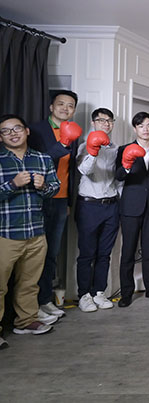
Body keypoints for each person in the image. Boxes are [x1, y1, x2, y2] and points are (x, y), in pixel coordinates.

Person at [1, 114, 61, 346]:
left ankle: (26, 321)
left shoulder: (42, 158)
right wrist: (12, 184)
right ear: (1, 137)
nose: (13, 133)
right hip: (5, 233)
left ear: (26, 131)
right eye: (6, 131)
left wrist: (44, 186)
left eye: (17, 128)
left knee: (29, 282)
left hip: (36, 231)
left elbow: (54, 188)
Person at [28, 90, 80, 320]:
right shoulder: (35, 130)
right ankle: (30, 306)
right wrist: (64, 142)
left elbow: (70, 171)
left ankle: (45, 300)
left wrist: (68, 201)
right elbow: (37, 163)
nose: (65, 109)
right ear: (51, 107)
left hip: (60, 200)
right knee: (34, 254)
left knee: (52, 253)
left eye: (70, 106)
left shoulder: (73, 131)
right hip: (38, 199)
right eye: (61, 104)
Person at [115, 112, 149, 306]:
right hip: (130, 207)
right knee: (128, 251)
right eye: (141, 126)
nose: (145, 129)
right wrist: (127, 165)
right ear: (135, 128)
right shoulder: (124, 149)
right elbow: (118, 176)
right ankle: (126, 293)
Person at [74, 108, 121, 312]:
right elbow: (84, 170)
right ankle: (84, 295)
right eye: (101, 120)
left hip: (111, 206)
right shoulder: (84, 146)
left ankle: (99, 292)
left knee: (104, 253)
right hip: (89, 205)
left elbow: (118, 178)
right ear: (93, 123)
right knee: (87, 253)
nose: (106, 124)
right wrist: (93, 151)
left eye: (109, 120)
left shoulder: (116, 148)